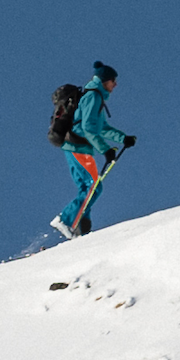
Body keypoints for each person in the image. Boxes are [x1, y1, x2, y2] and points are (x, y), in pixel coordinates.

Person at [53, 61, 134, 239]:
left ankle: (81, 228)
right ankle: (65, 220)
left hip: (77, 146)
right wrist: (105, 150)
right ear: (105, 80)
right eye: (113, 81)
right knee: (93, 186)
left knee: (88, 186)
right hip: (78, 146)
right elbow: (88, 128)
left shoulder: (96, 97)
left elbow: (102, 128)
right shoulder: (93, 97)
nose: (116, 84)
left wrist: (123, 138)